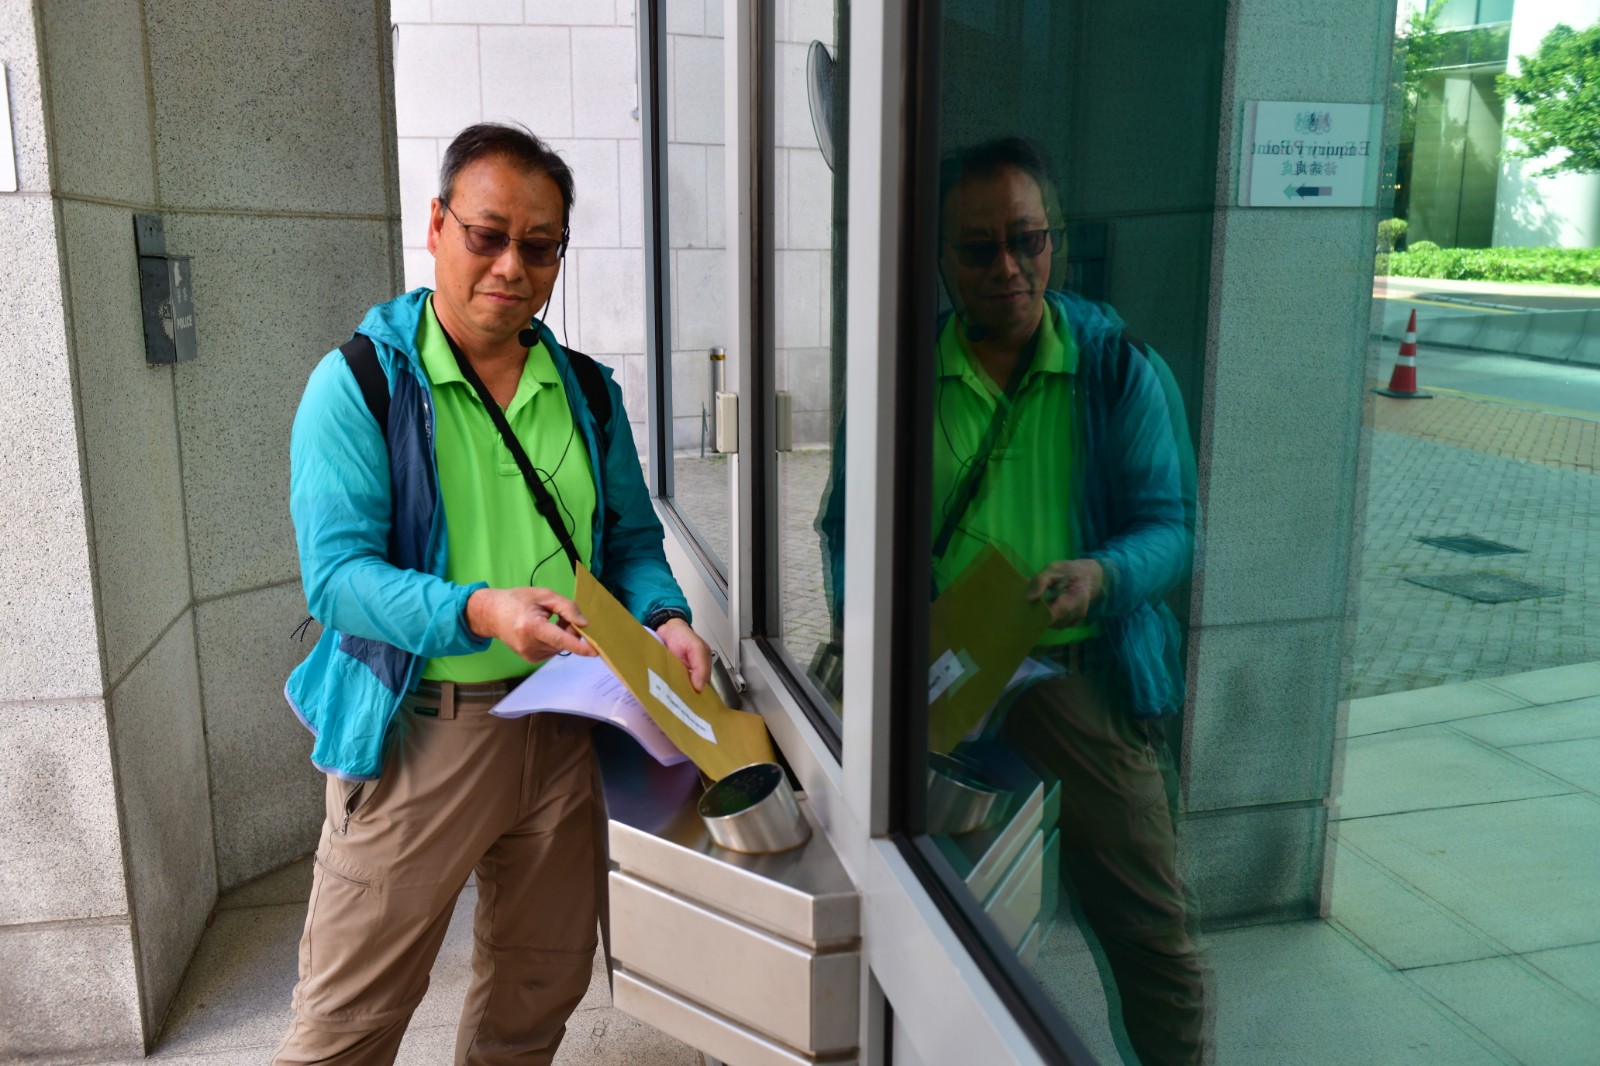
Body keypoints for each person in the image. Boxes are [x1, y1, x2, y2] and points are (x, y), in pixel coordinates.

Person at [277, 122, 711, 1065]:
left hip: (567, 726)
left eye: (540, 245)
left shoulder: (586, 390)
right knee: (347, 1024)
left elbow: (630, 544)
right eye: (488, 235)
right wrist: (481, 611)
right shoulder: (361, 384)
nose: (512, 265)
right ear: (437, 226)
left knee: (536, 991)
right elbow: (339, 580)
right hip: (422, 732)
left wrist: (666, 616)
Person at [818, 136, 1204, 1065]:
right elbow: (845, 530)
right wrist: (874, 638)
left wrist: (1102, 575)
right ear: (942, 259)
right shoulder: (902, 378)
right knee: (927, 924)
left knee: (1154, 940)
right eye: (979, 248)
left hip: (1080, 675)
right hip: (944, 679)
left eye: (1028, 240)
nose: (1008, 268)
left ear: (1054, 239)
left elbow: (1171, 526)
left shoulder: (1118, 371)